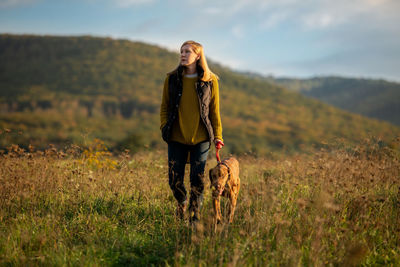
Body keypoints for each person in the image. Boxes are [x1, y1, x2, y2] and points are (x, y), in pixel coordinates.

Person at [160, 40, 224, 223]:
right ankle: (182, 201)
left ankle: (194, 218)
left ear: (198, 56)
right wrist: (164, 127)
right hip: (176, 136)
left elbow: (214, 111)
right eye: (181, 51)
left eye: (187, 51)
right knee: (174, 180)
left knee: (197, 180)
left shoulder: (210, 81)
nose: (183, 54)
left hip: (202, 138)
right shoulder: (171, 79)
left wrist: (218, 135)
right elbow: (164, 107)